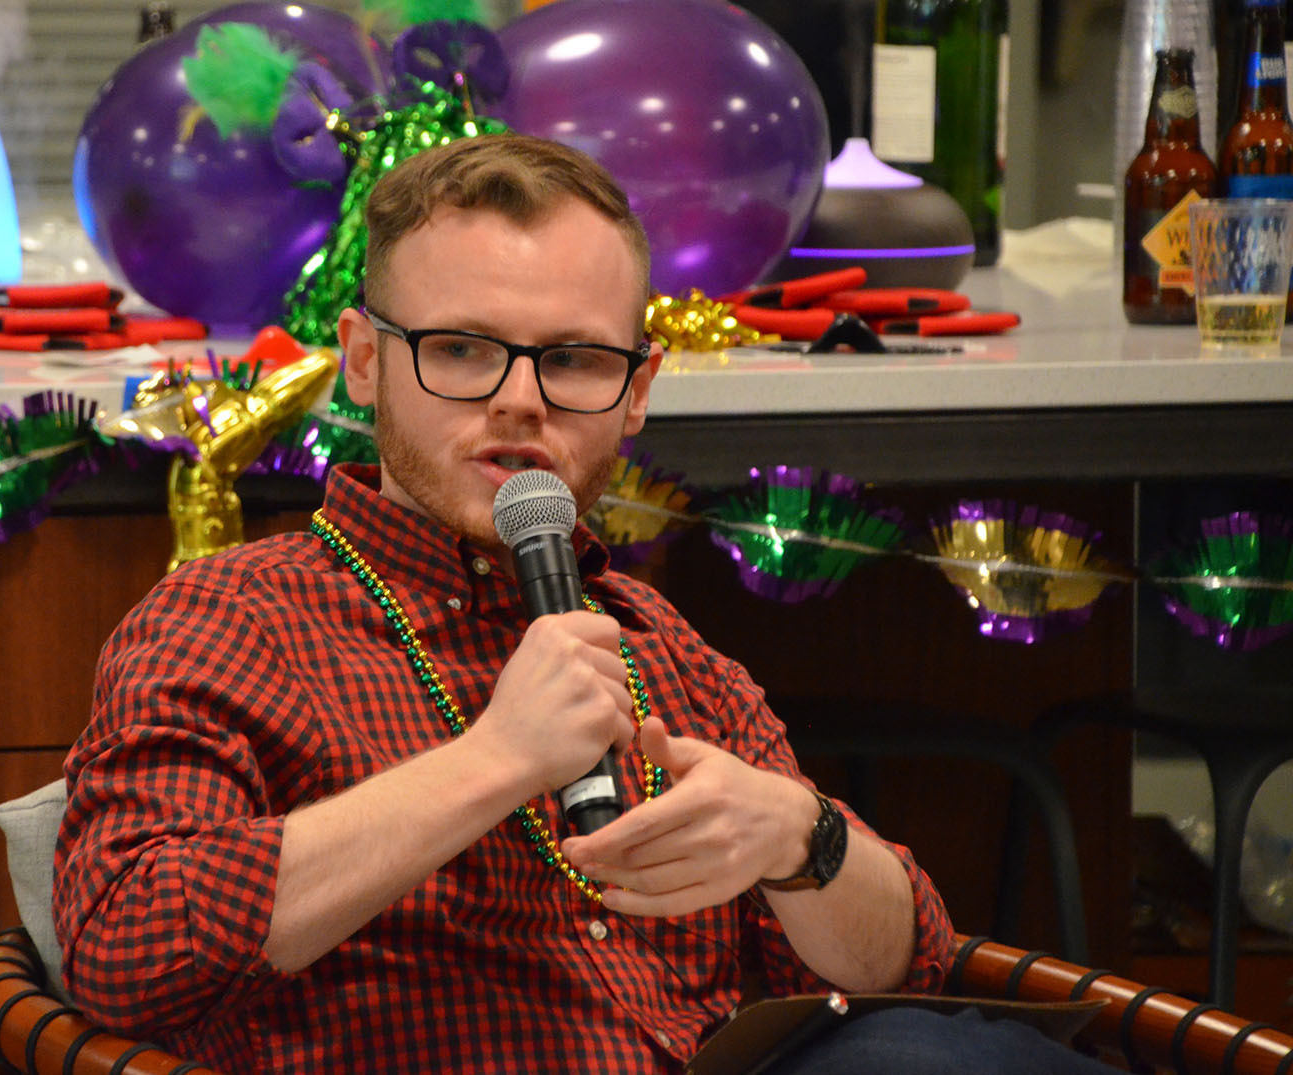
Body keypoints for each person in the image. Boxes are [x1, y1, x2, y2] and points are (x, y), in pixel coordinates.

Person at [54, 134, 1109, 1073]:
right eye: (461, 349)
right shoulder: (230, 619)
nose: (520, 399)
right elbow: (122, 949)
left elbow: (903, 968)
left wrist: (805, 839)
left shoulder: (663, 647)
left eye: (572, 360)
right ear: (366, 362)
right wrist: (495, 759)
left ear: (636, 391)